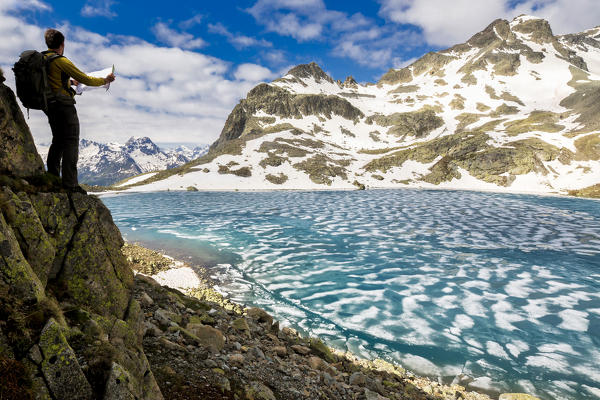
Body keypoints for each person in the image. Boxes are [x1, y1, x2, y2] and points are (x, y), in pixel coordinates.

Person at [43, 28, 115, 193]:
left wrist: (71, 84)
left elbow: (53, 82)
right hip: (64, 105)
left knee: (58, 140)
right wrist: (105, 80)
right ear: (62, 44)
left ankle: (53, 177)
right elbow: (86, 79)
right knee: (71, 141)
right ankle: (70, 184)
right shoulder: (61, 61)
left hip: (49, 105)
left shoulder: (42, 59)